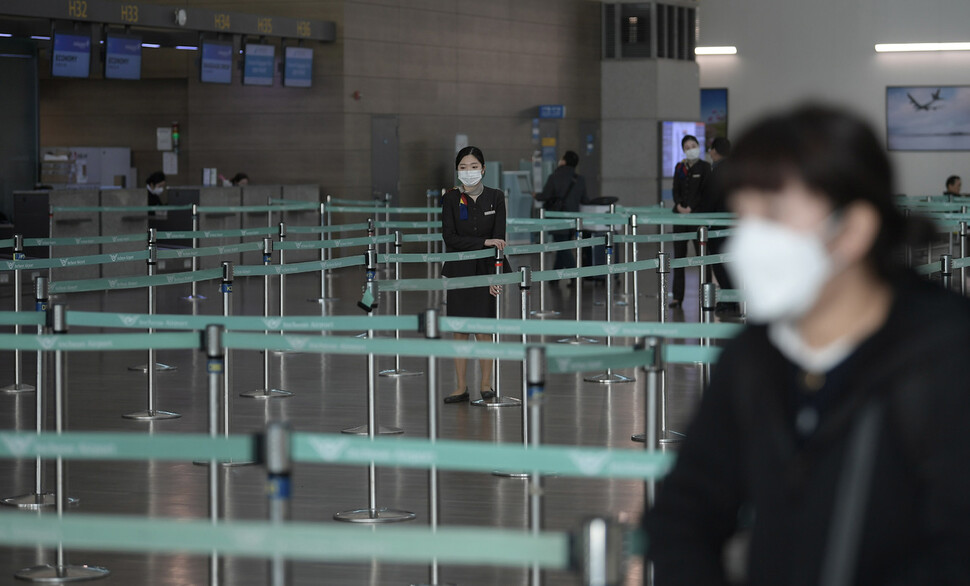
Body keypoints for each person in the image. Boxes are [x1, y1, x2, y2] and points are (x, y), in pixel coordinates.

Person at [645, 105, 970, 585]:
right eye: (744, 215)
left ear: (854, 228)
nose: (751, 240)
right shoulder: (755, 357)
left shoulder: (945, 355)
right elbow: (684, 511)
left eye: (774, 214)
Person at [440, 146, 510, 404]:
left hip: (485, 270)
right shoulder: (450, 199)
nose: (468, 172)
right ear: (457, 170)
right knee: (460, 330)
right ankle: (460, 386)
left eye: (473, 166)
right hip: (459, 269)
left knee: (483, 329)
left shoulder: (496, 197)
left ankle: (486, 383)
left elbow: (499, 240)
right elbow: (450, 238)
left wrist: (496, 275)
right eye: (462, 167)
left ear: (483, 169)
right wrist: (482, 243)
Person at [670, 134, 712, 308]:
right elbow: (675, 189)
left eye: (693, 145)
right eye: (687, 147)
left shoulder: (705, 167)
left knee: (702, 259)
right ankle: (677, 297)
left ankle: (707, 297)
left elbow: (705, 191)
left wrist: (691, 208)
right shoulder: (680, 167)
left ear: (698, 146)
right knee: (678, 258)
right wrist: (679, 205)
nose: (690, 149)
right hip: (680, 218)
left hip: (698, 218)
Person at [534, 150, 590, 272]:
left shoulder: (554, 177)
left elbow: (545, 196)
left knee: (563, 248)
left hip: (557, 219)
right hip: (574, 220)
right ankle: (555, 278)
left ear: (563, 161)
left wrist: (535, 195)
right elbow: (585, 199)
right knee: (562, 246)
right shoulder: (580, 179)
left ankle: (575, 274)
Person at [705, 137, 738, 314]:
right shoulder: (735, 168)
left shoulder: (718, 171)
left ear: (714, 151)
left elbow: (711, 198)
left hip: (718, 225)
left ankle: (729, 303)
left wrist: (700, 216)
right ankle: (733, 301)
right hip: (733, 224)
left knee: (721, 264)